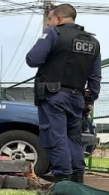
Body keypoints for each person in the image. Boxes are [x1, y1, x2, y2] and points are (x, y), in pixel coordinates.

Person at [25, 3, 102, 185]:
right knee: (73, 139)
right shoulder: (93, 42)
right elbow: (95, 76)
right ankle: (77, 181)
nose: (49, 23)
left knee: (55, 138)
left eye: (50, 19)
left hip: (54, 97)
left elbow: (33, 59)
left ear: (59, 18)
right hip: (77, 99)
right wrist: (89, 100)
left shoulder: (53, 33)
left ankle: (62, 183)